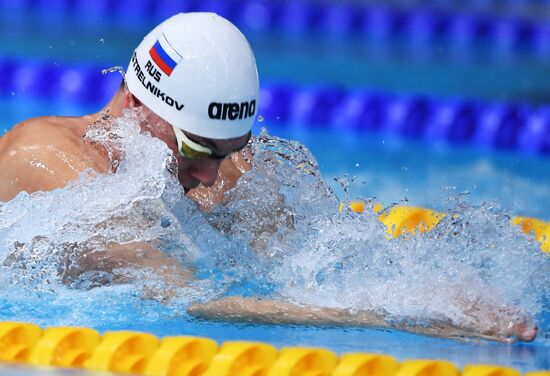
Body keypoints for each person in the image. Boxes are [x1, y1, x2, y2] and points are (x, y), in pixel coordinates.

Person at [0, 13, 536, 343]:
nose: (212, 173)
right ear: (138, 105)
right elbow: (187, 296)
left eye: (231, 148)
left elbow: (297, 270)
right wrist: (402, 314)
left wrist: (426, 284)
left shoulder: (227, 168)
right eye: (197, 149)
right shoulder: (48, 161)